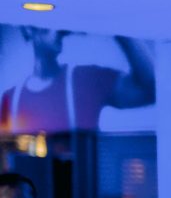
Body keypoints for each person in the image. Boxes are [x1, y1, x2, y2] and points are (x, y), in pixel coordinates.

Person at [1, 26, 154, 133]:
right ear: (28, 30)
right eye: (48, 24)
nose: (59, 30)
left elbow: (149, 90)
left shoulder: (85, 80)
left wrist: (119, 30)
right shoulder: (11, 98)